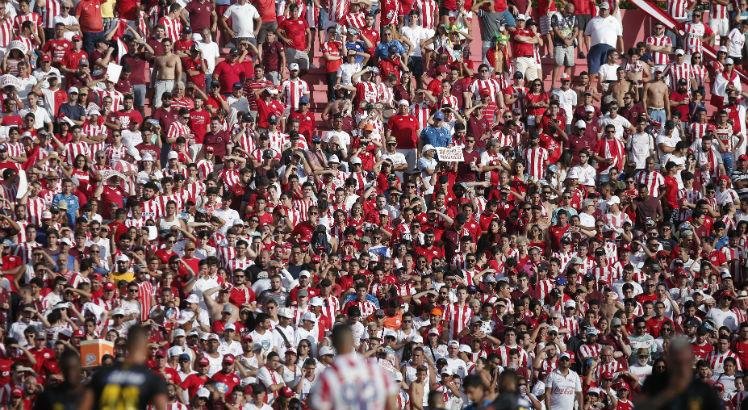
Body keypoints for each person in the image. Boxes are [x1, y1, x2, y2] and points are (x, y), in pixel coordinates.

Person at [308, 324, 398, 410]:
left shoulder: (330, 375)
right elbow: (392, 403)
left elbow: (319, 405)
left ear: (333, 344)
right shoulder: (376, 369)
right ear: (352, 341)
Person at [79, 325, 168, 409]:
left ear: (127, 346)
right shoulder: (152, 379)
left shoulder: (101, 374)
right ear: (145, 347)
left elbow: (84, 406)